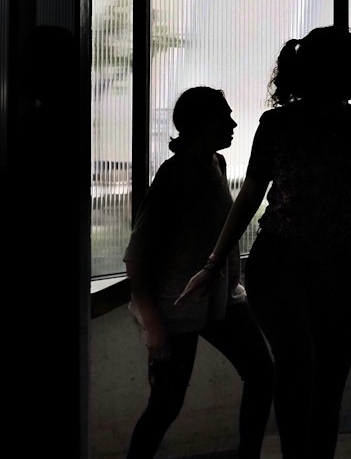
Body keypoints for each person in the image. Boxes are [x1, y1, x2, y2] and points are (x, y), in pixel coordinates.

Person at [175, 26, 351, 459]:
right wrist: (212, 263)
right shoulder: (279, 124)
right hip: (280, 267)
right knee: (299, 372)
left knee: (329, 384)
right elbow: (249, 196)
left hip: (339, 268)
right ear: (327, 70)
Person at [124, 87, 274, 459]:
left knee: (262, 372)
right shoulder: (172, 178)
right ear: (202, 125)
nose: (234, 123)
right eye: (225, 117)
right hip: (176, 309)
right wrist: (155, 328)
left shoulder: (217, 165)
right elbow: (136, 260)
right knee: (165, 406)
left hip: (220, 301)